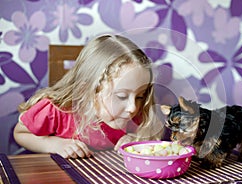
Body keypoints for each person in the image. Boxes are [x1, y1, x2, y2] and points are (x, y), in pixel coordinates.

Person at [13, 34, 163, 159]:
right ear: (88, 90)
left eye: (140, 96)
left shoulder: (133, 114)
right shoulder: (58, 110)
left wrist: (136, 140)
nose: (133, 108)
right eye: (122, 96)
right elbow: (20, 133)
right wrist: (54, 144)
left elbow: (155, 132)